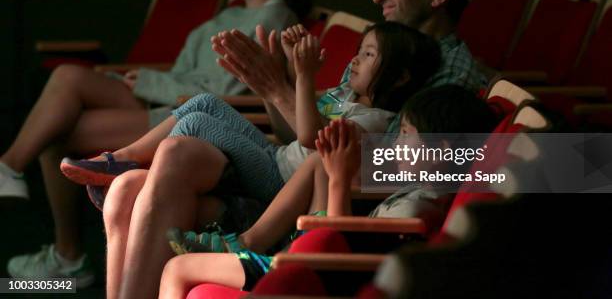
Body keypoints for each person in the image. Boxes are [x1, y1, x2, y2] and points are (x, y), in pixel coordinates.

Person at [2, 0, 309, 286]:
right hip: (168, 101)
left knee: (55, 131)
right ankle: (18, 178)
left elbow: (222, 89)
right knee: (66, 80)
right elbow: (184, 73)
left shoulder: (274, 18)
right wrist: (133, 79)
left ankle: (67, 253)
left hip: (191, 113)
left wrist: (146, 81)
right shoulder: (227, 14)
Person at [72, 21, 438, 299]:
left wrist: (302, 76)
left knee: (196, 122)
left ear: (401, 76)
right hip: (277, 158)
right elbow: (290, 132)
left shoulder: (375, 123)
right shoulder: (345, 100)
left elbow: (312, 138)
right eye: (360, 49)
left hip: (278, 185)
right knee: (202, 105)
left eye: (370, 54)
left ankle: (126, 159)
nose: (355, 59)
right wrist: (272, 81)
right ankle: (123, 161)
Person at [157, 85, 497, 297]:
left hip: (313, 275)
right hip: (312, 256)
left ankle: (248, 246)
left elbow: (339, 252)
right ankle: (247, 242)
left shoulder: (416, 211)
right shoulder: (426, 191)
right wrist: (333, 168)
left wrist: (339, 179)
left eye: (408, 135)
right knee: (321, 161)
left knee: (178, 269)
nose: (397, 142)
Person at [213, 0, 487, 143]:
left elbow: (378, 169)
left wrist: (278, 90)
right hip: (295, 176)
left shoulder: (453, 78)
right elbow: (295, 137)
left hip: (336, 205)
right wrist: (271, 89)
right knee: (200, 118)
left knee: (191, 141)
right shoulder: (384, 49)